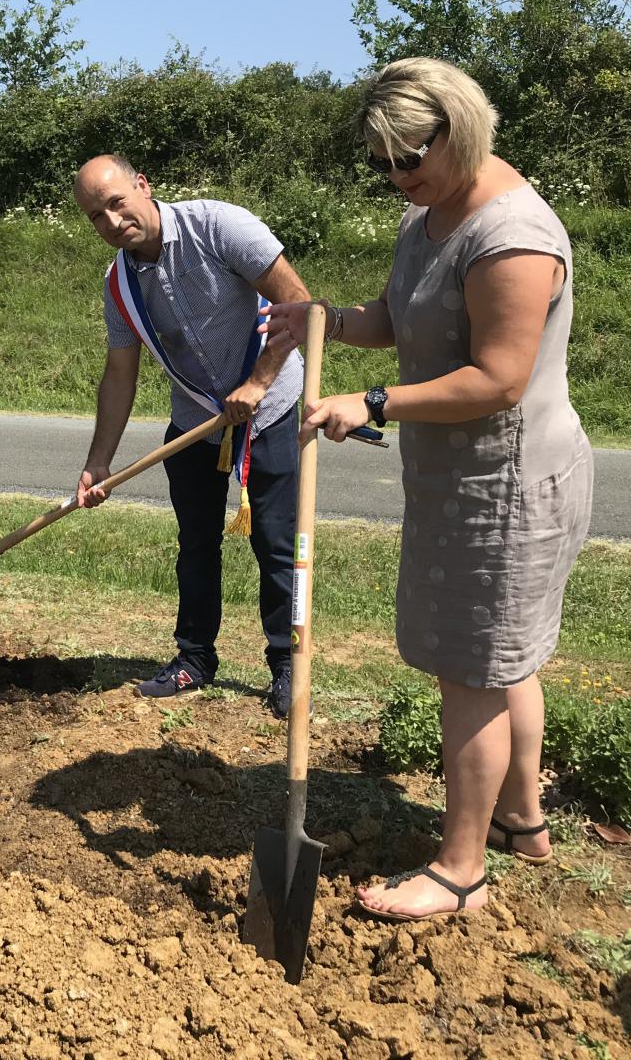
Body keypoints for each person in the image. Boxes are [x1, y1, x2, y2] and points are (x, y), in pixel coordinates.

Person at [263, 58, 594, 921]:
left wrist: (368, 404)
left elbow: (498, 378)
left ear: (459, 124)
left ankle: (460, 870)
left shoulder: (510, 235)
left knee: (472, 671)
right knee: (502, 661)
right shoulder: (431, 215)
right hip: (459, 478)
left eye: (409, 156)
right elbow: (399, 317)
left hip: (508, 483)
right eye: (382, 164)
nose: (397, 177)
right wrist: (325, 320)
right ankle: (522, 821)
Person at [72, 155, 311, 717]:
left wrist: (257, 383)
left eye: (116, 202)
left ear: (142, 185)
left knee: (276, 546)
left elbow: (298, 303)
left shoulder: (220, 226)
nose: (111, 221)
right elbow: (119, 374)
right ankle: (194, 658)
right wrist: (98, 462)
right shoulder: (120, 285)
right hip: (197, 420)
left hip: (270, 406)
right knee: (196, 543)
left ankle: (285, 665)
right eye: (96, 216)